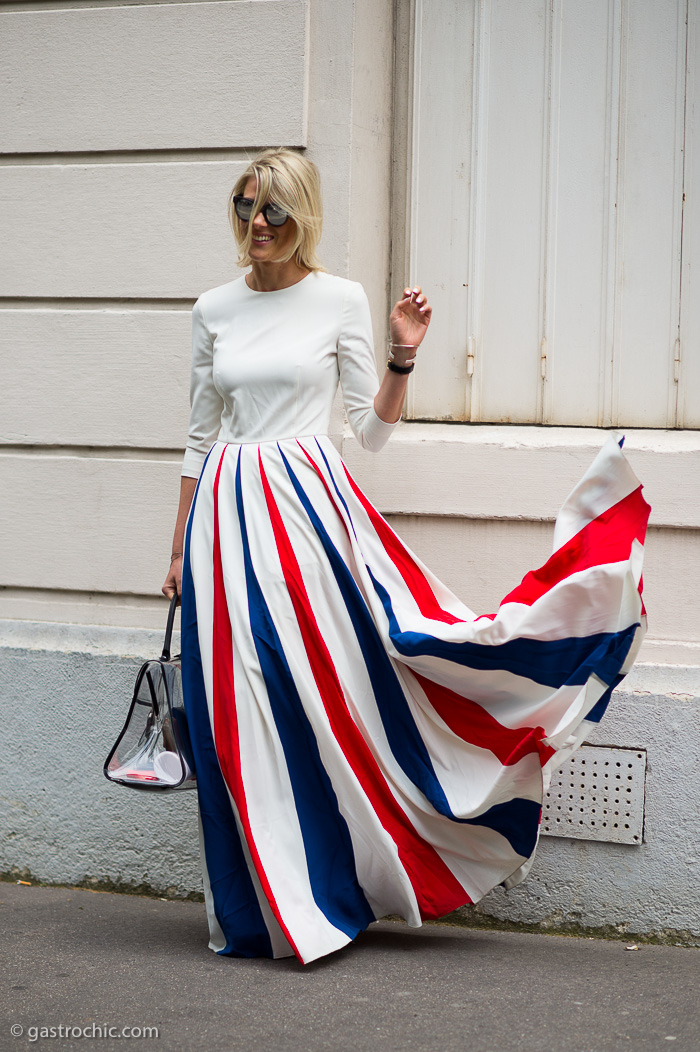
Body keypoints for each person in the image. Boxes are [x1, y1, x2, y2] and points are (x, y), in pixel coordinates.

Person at [162, 147, 649, 965]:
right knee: (231, 717)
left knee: (316, 697)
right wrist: (176, 551)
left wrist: (402, 354)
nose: (258, 225)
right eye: (246, 207)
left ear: (303, 214)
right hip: (223, 523)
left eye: (275, 210)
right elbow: (197, 440)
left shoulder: (339, 300)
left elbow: (374, 430)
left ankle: (335, 889)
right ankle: (255, 912)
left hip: (306, 518)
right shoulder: (214, 308)